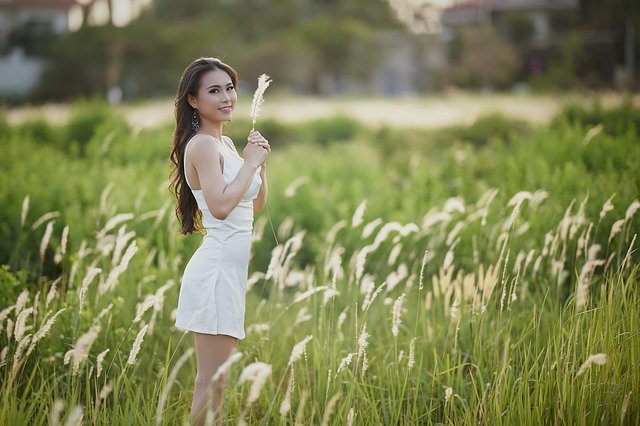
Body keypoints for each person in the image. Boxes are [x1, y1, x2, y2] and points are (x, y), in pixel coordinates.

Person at [169, 57, 270, 426]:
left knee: (220, 381)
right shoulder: (201, 146)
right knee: (211, 383)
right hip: (214, 273)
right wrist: (248, 164)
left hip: (230, 273)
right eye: (214, 90)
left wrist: (259, 164)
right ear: (193, 100)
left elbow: (254, 205)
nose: (226, 97)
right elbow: (221, 207)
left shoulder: (224, 142)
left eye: (230, 88)